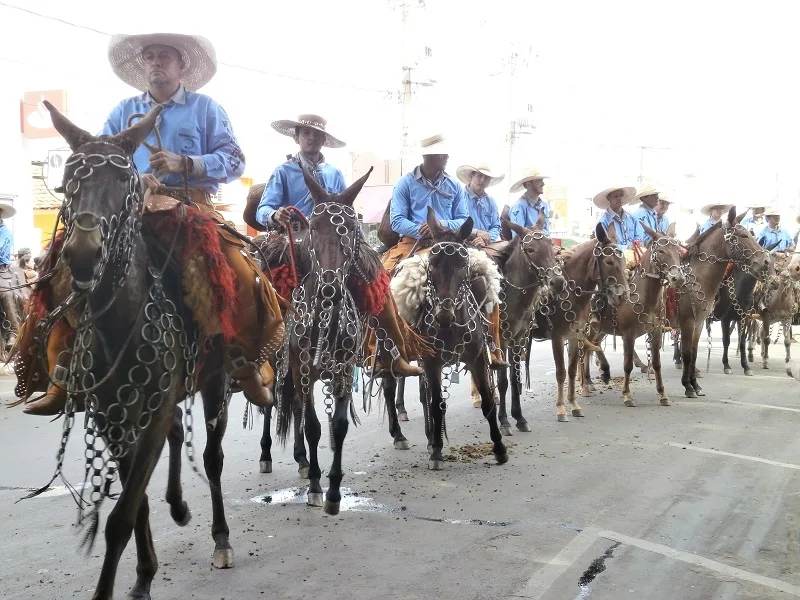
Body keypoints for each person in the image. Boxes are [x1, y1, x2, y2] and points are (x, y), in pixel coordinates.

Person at [18, 32, 284, 416]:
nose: (156, 63)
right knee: (60, 265)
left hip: (191, 208)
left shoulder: (206, 108)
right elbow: (102, 156)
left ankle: (243, 360)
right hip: (129, 210)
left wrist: (185, 163)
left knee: (240, 270)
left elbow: (234, 160)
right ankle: (63, 372)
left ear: (182, 65)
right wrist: (132, 179)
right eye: (149, 57)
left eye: (164, 56)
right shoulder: (122, 110)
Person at [252, 113, 423, 377]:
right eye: (306, 133)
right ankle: (258, 356)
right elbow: (263, 208)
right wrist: (274, 215)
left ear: (323, 140)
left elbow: (346, 208)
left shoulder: (334, 173)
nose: (311, 138)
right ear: (296, 137)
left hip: (333, 239)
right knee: (257, 283)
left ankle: (394, 351)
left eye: (316, 134)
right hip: (292, 239)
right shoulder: (283, 171)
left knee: (378, 280)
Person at [383, 134, 507, 368]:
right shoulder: (405, 183)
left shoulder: (453, 186)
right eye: (443, 153)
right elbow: (397, 220)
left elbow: (462, 218)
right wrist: (422, 231)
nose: (447, 156)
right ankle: (386, 353)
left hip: (452, 243)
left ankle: (493, 347)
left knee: (489, 277)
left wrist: (438, 226)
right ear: (428, 155)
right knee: (383, 280)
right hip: (414, 243)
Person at [455, 162, 503, 246]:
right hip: (463, 243)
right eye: (480, 175)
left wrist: (487, 238)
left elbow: (496, 226)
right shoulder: (459, 198)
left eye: (487, 177)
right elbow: (454, 223)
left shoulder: (491, 202)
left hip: (487, 244)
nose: (482, 180)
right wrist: (475, 233)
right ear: (471, 176)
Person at [507, 167, 551, 237]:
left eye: (542, 180)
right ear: (528, 184)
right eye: (538, 181)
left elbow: (547, 231)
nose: (543, 184)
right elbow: (518, 236)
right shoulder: (519, 206)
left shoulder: (544, 205)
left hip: (542, 245)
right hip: (529, 247)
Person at [0, 203, 20, 348]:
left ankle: (14, 331)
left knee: (5, 292)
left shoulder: (6, 233)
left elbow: (1, 251)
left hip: (1, 268)